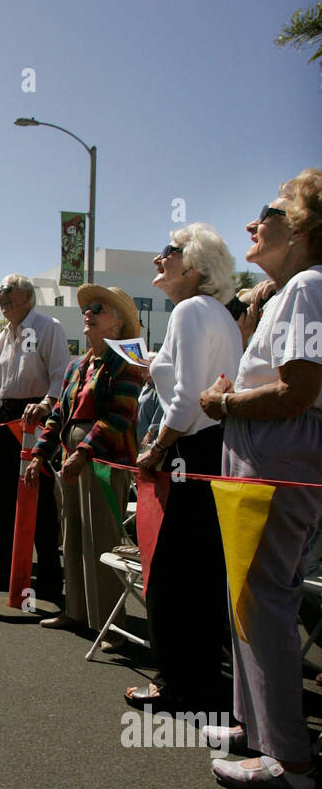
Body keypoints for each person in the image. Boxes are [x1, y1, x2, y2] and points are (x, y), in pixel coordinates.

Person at [199, 171, 322, 789]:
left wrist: (227, 404)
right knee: (249, 594)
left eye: (267, 211)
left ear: (300, 227)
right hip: (265, 452)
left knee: (266, 598)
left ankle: (289, 760)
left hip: (277, 454)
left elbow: (299, 390)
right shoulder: (288, 290)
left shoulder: (307, 285)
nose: (252, 224)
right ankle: (258, 729)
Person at [124, 225, 243, 714]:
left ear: (193, 268)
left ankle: (176, 684)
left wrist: (158, 443)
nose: (158, 258)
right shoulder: (215, 314)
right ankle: (200, 681)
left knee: (173, 575)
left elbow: (189, 391)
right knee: (200, 574)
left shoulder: (191, 310)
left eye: (168, 252)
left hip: (189, 454)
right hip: (212, 449)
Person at [25, 285, 142, 645]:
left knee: (102, 539)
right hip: (72, 460)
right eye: (87, 308)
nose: (88, 313)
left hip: (104, 461)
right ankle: (75, 610)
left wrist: (83, 452)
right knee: (72, 535)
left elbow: (120, 417)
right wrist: (40, 454)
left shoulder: (126, 363)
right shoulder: (78, 364)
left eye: (99, 308)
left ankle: (110, 624)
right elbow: (59, 414)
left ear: (118, 323)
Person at [0, 274, 70, 596]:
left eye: (8, 292)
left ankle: (51, 580)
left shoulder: (48, 327)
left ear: (28, 295)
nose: (3, 298)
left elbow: (61, 377)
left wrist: (45, 405)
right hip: (9, 416)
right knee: (7, 499)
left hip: (38, 417)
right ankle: (8, 574)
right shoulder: (0, 338)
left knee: (40, 502)